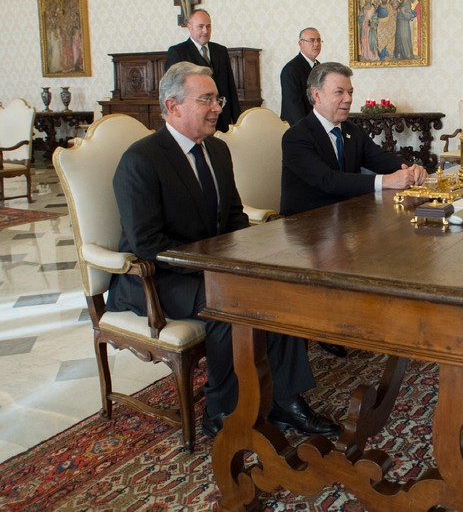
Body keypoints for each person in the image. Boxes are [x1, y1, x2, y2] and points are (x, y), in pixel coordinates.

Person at [107, 61, 339, 439]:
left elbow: (232, 218)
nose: (217, 107)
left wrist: (253, 257)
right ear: (172, 106)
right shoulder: (141, 160)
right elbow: (147, 244)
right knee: (232, 301)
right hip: (157, 278)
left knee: (282, 287)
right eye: (206, 99)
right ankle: (221, 410)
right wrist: (215, 270)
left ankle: (285, 401)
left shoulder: (215, 150)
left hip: (207, 267)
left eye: (218, 98)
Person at [280, 61, 428, 216]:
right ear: (317, 95)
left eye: (350, 92)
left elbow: (381, 159)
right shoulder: (296, 137)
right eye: (339, 92)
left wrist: (413, 169)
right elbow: (328, 180)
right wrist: (387, 181)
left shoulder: (352, 130)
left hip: (348, 217)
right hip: (306, 224)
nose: (348, 99)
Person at [164, 9, 241, 131]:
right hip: (196, 120)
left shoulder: (220, 51)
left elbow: (230, 87)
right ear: (190, 27)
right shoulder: (178, 52)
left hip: (222, 118)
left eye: (208, 26)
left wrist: (237, 121)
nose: (205, 31)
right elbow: (173, 91)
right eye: (200, 26)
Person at [280, 27, 322, 125]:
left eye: (318, 40)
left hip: (316, 124)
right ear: (300, 43)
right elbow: (293, 104)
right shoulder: (291, 69)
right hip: (298, 126)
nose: (316, 44)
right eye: (312, 40)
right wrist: (307, 127)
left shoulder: (320, 67)